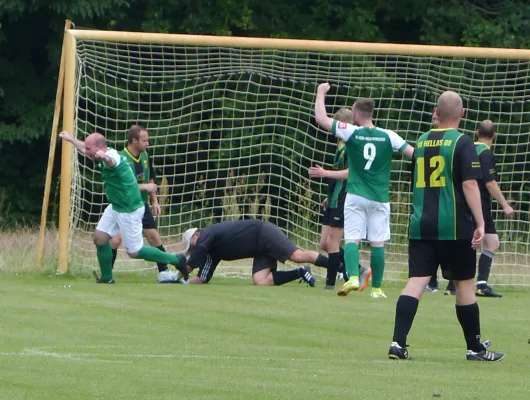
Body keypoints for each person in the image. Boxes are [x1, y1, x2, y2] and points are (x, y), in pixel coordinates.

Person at [388, 91, 504, 361]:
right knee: (465, 284)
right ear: (462, 114)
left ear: (436, 113)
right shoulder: (463, 143)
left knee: (415, 282)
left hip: (420, 226)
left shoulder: (420, 141)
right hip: (454, 227)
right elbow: (469, 184)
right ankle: (474, 347)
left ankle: (397, 342)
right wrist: (480, 223)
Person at [314, 83, 414, 298]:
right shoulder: (389, 135)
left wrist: (321, 93)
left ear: (356, 114)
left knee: (352, 239)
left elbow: (322, 119)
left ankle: (352, 277)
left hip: (356, 195)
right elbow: (413, 154)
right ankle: (376, 289)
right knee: (378, 243)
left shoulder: (352, 132)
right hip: (379, 197)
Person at [59, 130, 188, 283]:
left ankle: (176, 260)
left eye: (89, 149)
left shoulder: (112, 156)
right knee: (99, 238)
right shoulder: (96, 152)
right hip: (116, 206)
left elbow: (111, 162)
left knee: (134, 252)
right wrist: (70, 139)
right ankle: (107, 278)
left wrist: (104, 157)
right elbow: (84, 148)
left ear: (100, 148)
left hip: (129, 209)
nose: (86, 152)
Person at [442, 120, 514, 297]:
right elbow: (489, 183)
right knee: (491, 242)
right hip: (479, 203)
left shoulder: (465, 148)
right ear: (494, 135)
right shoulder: (485, 152)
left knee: (469, 242)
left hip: (461, 201)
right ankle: (480, 285)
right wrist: (505, 205)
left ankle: (452, 285)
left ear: (476, 132)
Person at [308, 107, 372, 291]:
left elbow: (351, 173)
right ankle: (359, 269)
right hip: (334, 197)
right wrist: (329, 196)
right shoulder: (341, 144)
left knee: (333, 243)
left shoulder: (352, 145)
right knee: (324, 244)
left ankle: (329, 285)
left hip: (345, 198)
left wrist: (324, 173)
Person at [108, 125, 179, 283]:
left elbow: (150, 179)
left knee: (154, 237)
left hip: (141, 205)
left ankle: (164, 272)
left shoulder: (145, 156)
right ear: (134, 140)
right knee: (115, 240)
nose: (148, 143)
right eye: (145, 140)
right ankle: (107, 274)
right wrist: (146, 187)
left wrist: (155, 201)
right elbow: (124, 185)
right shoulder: (121, 159)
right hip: (124, 207)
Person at [180, 219, 331, 286]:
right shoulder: (211, 250)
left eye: (191, 246)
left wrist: (176, 276)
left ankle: (339, 266)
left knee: (297, 256)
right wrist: (183, 282)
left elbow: (191, 264)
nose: (193, 249)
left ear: (196, 235)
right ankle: (301, 272)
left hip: (263, 233)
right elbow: (202, 278)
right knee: (260, 281)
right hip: (258, 249)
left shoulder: (206, 234)